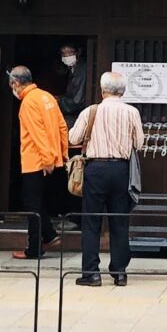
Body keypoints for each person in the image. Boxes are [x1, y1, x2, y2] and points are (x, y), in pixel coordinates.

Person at [67, 69, 145, 286]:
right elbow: (139, 144)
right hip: (121, 169)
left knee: (91, 221)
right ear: (123, 91)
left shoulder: (91, 111)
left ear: (102, 90)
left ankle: (91, 273)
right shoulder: (132, 112)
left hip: (96, 168)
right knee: (120, 220)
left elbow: (73, 137)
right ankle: (119, 272)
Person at [8, 65, 68, 259]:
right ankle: (49, 235)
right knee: (36, 201)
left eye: (12, 85)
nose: (13, 89)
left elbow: (37, 133)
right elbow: (62, 127)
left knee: (32, 204)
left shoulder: (28, 102)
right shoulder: (47, 97)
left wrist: (47, 158)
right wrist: (62, 154)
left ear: (16, 83)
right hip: (51, 159)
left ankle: (35, 247)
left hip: (36, 160)